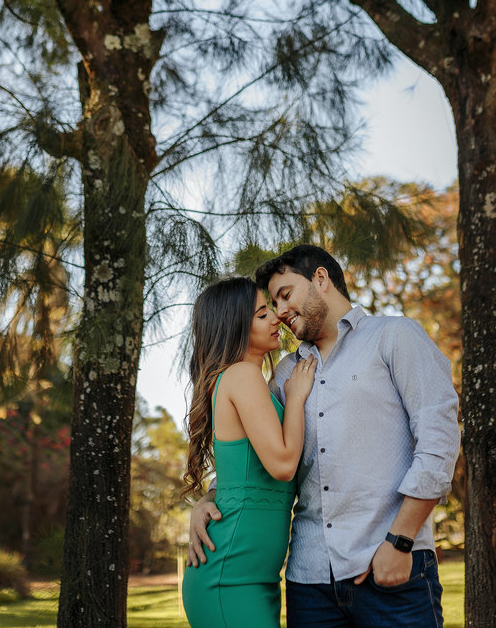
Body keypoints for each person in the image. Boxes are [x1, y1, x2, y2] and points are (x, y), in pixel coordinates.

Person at [187, 245, 461, 628]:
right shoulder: (285, 373)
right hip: (310, 582)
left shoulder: (395, 336)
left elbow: (440, 441)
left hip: (389, 568)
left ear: (320, 278)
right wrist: (212, 497)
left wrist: (401, 541)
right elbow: (256, 447)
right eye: (271, 304)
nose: (280, 313)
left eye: (285, 295)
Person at [180, 276, 320, 628]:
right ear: (234, 327)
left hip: (254, 577)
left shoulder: (248, 380)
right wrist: (298, 397)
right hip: (229, 575)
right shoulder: (242, 375)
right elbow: (283, 465)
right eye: (262, 314)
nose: (276, 317)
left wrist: (207, 497)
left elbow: (239, 468)